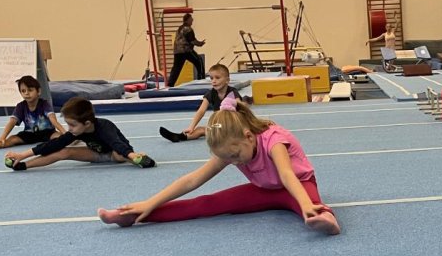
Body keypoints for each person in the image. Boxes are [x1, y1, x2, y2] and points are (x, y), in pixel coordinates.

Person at [98, 95, 340, 235]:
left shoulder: (273, 140)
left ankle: (327, 219)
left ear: (248, 136)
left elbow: (287, 175)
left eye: (235, 156)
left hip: (298, 185)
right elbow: (192, 180)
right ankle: (133, 216)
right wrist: (150, 202)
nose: (234, 162)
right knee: (207, 203)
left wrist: (306, 205)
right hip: (264, 190)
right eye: (228, 158)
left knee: (311, 207)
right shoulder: (231, 148)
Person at [4, 96, 155, 171]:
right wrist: (22, 155)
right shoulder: (77, 130)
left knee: (119, 154)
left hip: (115, 153)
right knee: (63, 151)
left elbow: (117, 144)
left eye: (72, 125)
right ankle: (24, 166)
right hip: (95, 153)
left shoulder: (104, 126)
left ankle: (138, 158)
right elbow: (53, 144)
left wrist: (132, 155)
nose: (69, 128)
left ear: (87, 123)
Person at [0, 75, 64, 150]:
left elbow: (53, 120)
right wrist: (3, 137)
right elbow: (12, 122)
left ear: (38, 91)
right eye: (23, 91)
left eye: (30, 90)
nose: (26, 93)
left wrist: (64, 133)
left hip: (48, 132)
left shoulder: (44, 104)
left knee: (58, 137)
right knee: (12, 139)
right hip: (29, 134)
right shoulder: (21, 106)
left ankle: (67, 141)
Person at [159, 63, 241, 143]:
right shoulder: (211, 93)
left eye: (217, 78)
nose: (214, 81)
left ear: (227, 80)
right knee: (200, 130)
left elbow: (241, 108)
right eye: (211, 78)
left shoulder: (232, 92)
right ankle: (179, 136)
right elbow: (201, 111)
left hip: (234, 126)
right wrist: (191, 127)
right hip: (220, 126)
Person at [167, 12, 205, 88]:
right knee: (199, 61)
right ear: (187, 20)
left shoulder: (180, 28)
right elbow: (192, 41)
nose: (192, 20)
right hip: (185, 50)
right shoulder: (188, 29)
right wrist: (200, 43)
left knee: (176, 68)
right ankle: (201, 79)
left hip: (177, 51)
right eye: (191, 19)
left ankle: (170, 84)